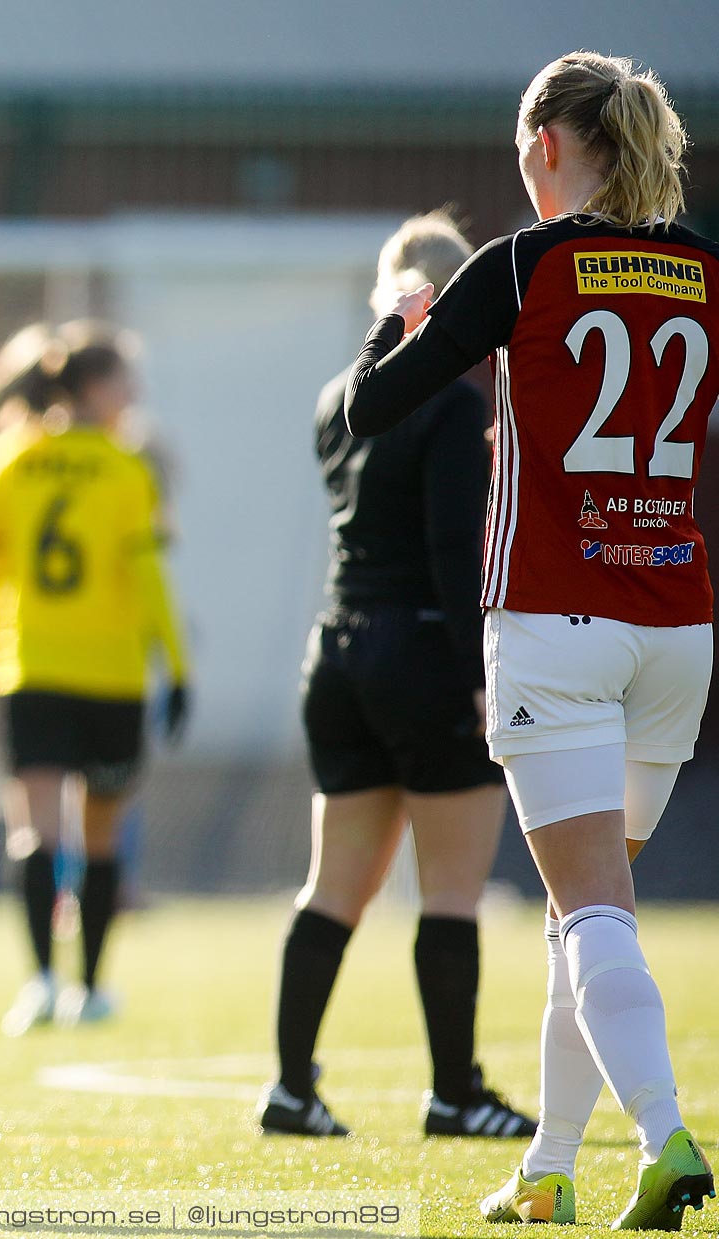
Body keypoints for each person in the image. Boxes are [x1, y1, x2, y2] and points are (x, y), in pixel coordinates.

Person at [343, 51, 716, 1231]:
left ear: (548, 144)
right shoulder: (704, 270)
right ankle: (550, 1166)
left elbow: (373, 410)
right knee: (588, 912)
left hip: (558, 623)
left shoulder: (524, 263)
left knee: (590, 907)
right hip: (676, 624)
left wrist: (391, 328)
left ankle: (668, 1142)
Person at [257, 212, 536, 1142]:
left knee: (332, 887)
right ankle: (455, 1094)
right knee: (450, 889)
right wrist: (478, 672)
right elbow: (455, 551)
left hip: (337, 652)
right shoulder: (455, 402)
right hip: (420, 650)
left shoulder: (335, 395)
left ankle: (291, 1088)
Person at [0, 321, 190, 1036]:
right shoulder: (125, 469)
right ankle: (88, 988)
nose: (134, 393)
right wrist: (176, 667)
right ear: (94, 388)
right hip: (111, 675)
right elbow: (148, 577)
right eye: (125, 380)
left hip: (30, 665)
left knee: (35, 831)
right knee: (100, 836)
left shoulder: (8, 459)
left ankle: (38, 984)